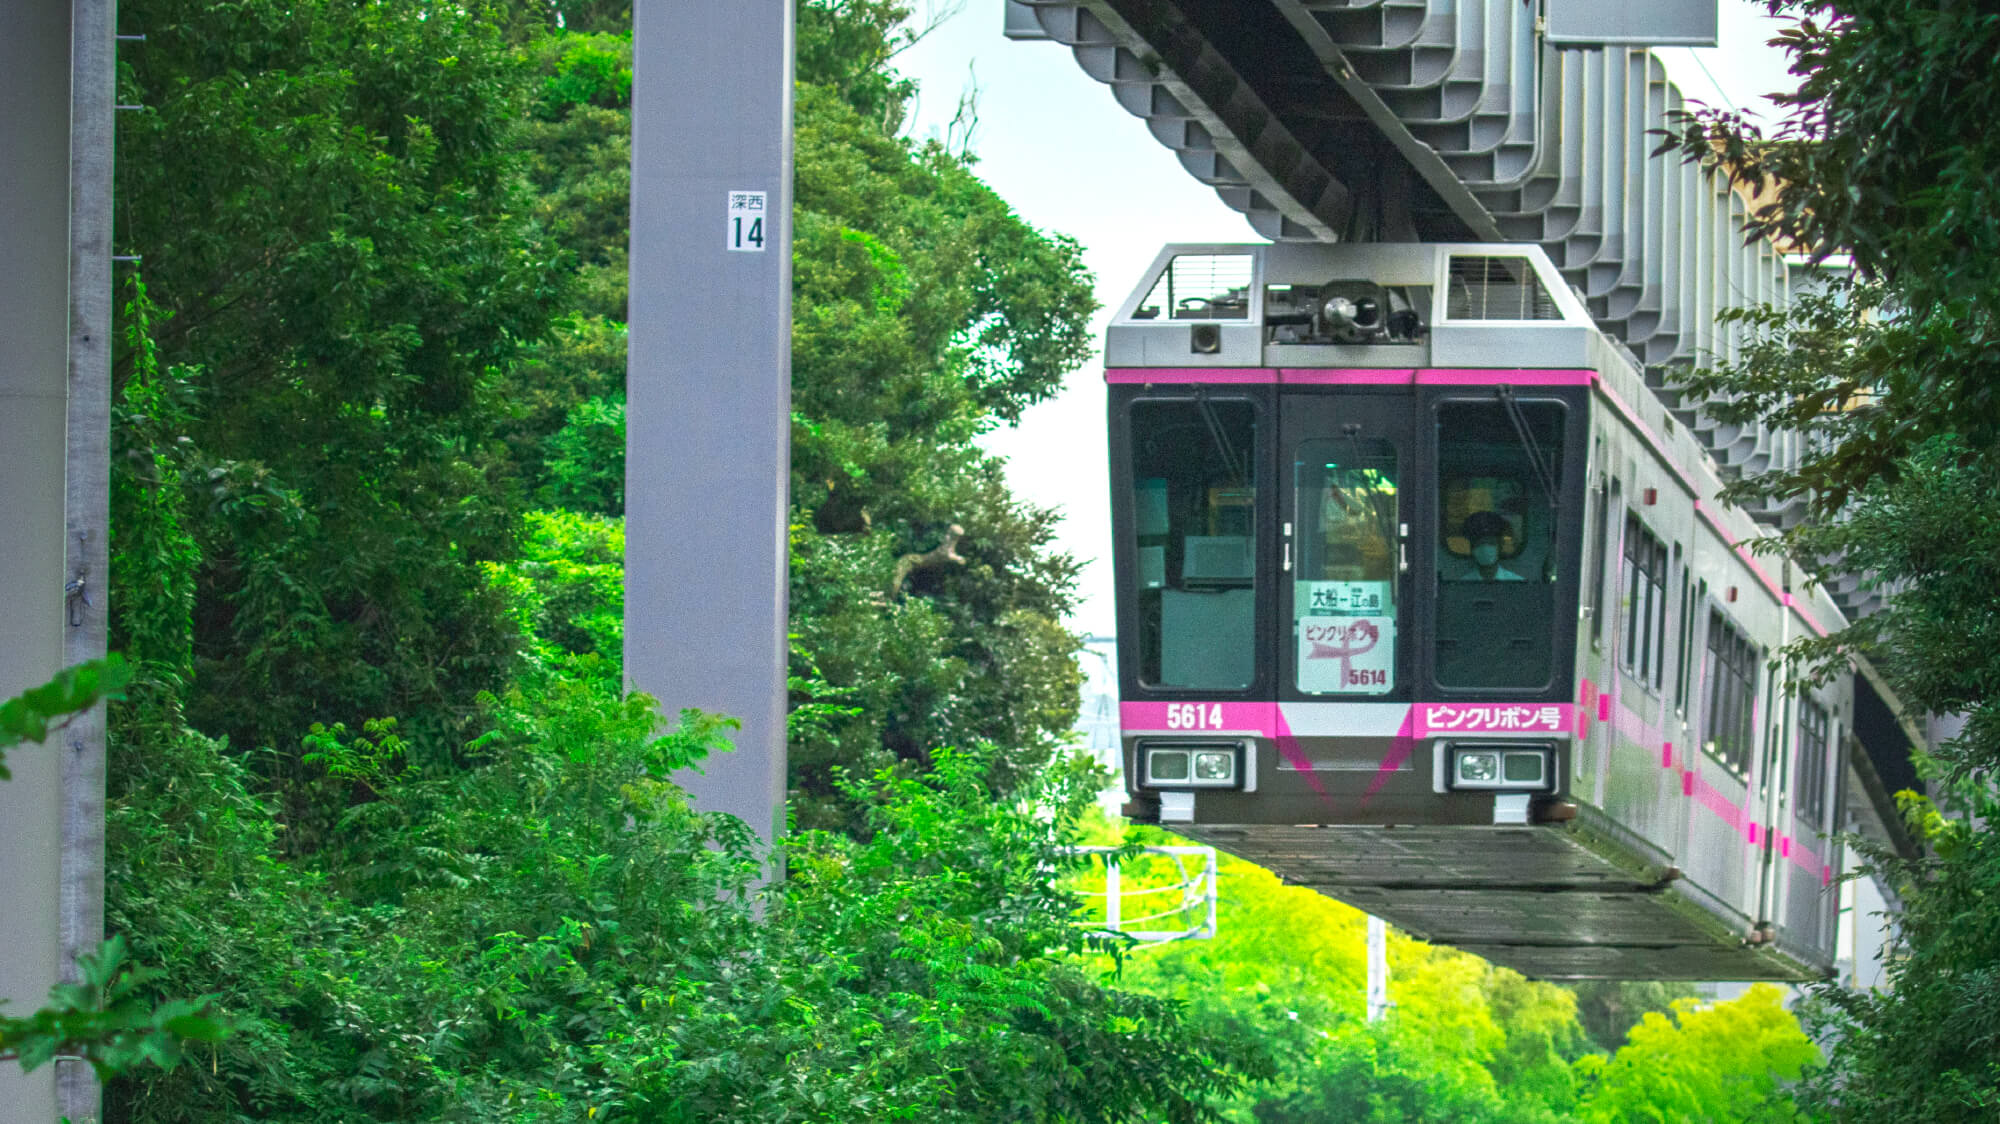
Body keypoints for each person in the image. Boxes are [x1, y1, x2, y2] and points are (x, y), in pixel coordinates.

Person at [1447, 510, 1524, 581]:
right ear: (1472, 548)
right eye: (1479, 543)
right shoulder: (1463, 584)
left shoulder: (1516, 582)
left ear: (1500, 546)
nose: (1485, 548)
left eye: (1490, 543)